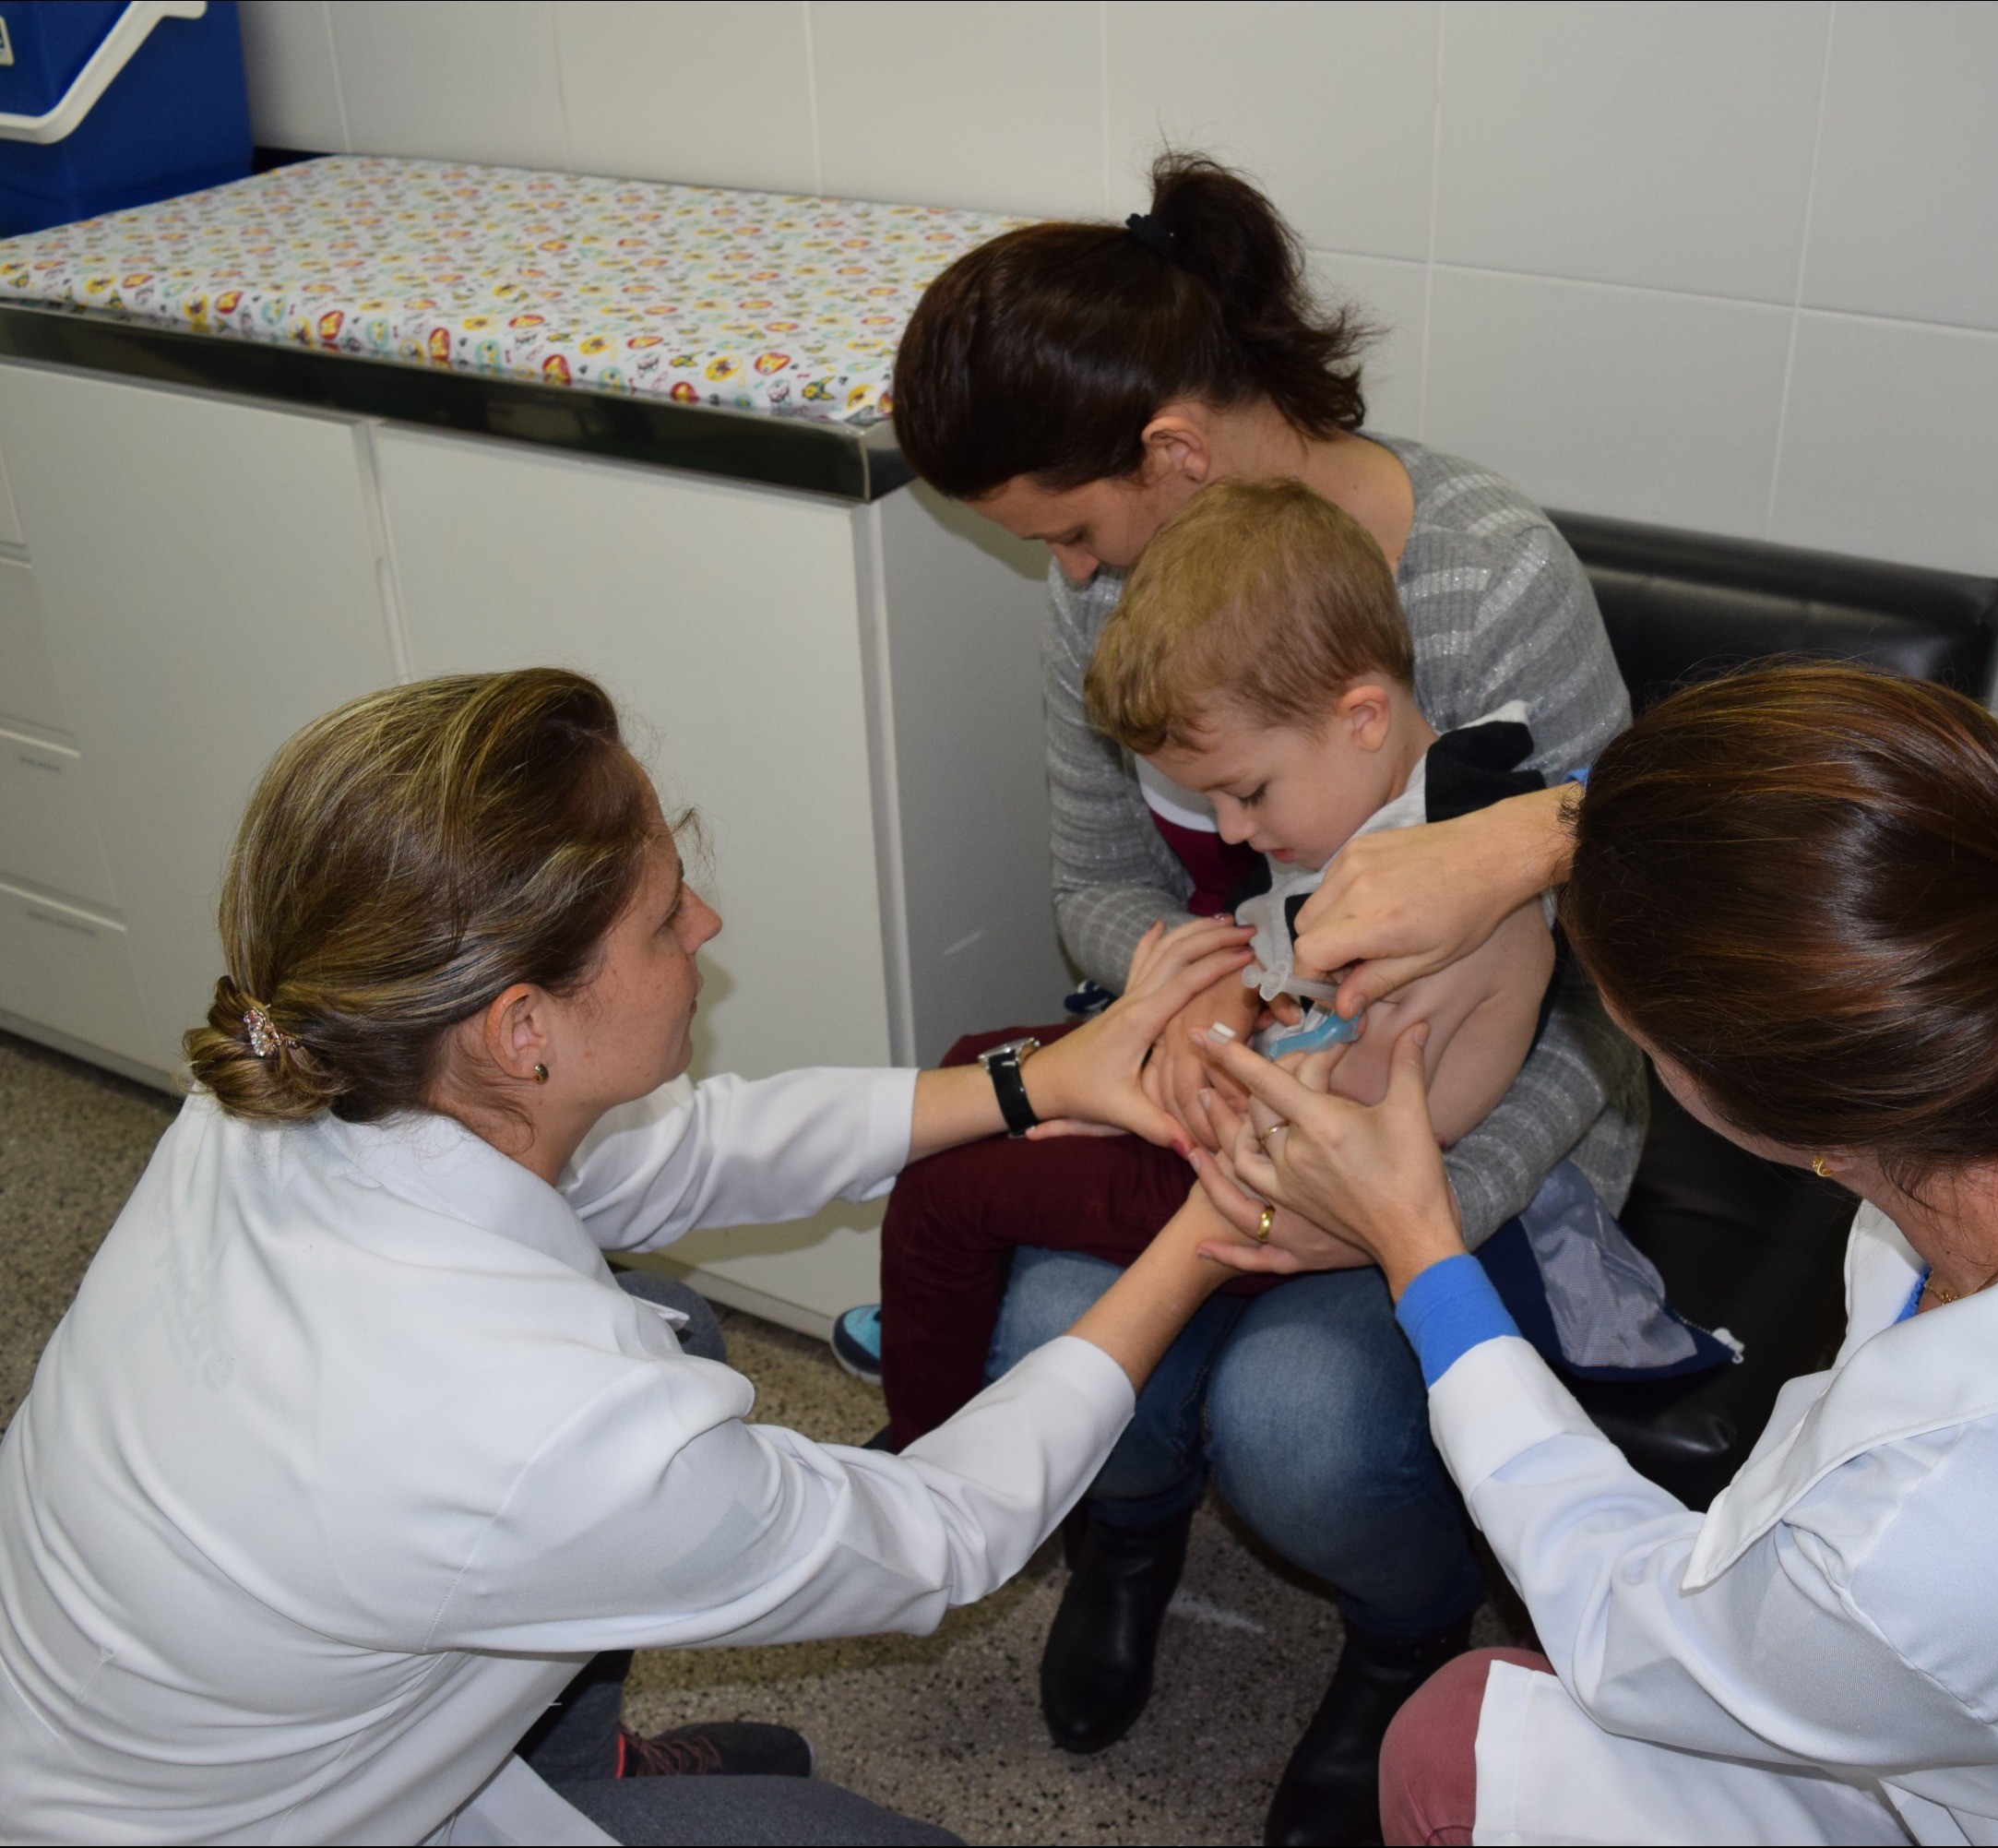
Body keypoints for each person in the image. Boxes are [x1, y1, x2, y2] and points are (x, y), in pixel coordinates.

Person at [0, 669, 1264, 1847]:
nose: (705, 918)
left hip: (122, 1713)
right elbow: (937, 1534)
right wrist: (1195, 1241)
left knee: (664, 1322)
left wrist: (1030, 1080)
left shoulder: (312, 1063)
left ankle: (569, 1768)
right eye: (665, 917)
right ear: (521, 1029)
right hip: (233, 1821)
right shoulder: (536, 1422)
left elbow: (682, 1152)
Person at [1193, 665, 1998, 1845]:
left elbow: (1622, 1613)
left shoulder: (1940, 1531)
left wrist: (1415, 1239)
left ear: (1766, 1116)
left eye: (1637, 1036)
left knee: (1453, 1746)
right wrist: (1535, 836)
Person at [877, 151, 1642, 1841]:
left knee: (1299, 1417)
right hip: (1241, 1079)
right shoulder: (1113, 605)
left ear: (1170, 452)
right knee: (1048, 1347)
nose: (1072, 580)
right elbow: (1098, 888)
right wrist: (1203, 1006)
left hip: (1485, 1112)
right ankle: (1130, 1532)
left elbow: (1625, 978)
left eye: (1073, 532)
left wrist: (1405, 1206)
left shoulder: (1483, 579)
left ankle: (1398, 1638)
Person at [879, 478, 1562, 1444]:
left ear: (1363, 714)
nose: (1233, 831)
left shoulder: (1429, 898)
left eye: (1247, 792)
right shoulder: (1427, 799)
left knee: (945, 1181)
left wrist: (1164, 1072)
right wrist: (1196, 1024)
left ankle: (925, 1450)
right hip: (1263, 1119)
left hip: (1291, 1176)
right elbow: (1281, 998)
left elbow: (1325, 1105)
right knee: (968, 1069)